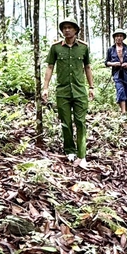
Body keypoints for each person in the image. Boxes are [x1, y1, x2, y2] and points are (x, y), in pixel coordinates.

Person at [42, 18, 94, 169]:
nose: (67, 30)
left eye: (70, 27)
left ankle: (82, 155)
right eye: (64, 28)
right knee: (66, 122)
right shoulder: (56, 48)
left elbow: (88, 67)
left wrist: (91, 87)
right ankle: (69, 150)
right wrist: (45, 87)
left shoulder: (83, 48)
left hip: (79, 91)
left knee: (81, 122)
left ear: (76, 30)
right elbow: (50, 67)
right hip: (62, 91)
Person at [104, 28, 127, 118]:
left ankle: (125, 111)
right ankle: (123, 113)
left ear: (123, 37)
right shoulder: (111, 50)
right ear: (114, 38)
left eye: (120, 36)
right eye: (117, 36)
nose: (119, 38)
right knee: (120, 91)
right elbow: (106, 62)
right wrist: (113, 64)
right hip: (117, 74)